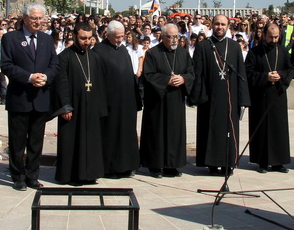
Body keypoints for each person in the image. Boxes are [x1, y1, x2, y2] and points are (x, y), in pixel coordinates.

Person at [0, 3, 59, 190]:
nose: (38, 22)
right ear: (25, 18)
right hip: (20, 97)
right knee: (18, 141)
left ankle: (32, 175)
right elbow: (7, 66)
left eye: (41, 18)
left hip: (40, 97)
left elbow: (54, 64)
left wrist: (46, 77)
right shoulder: (10, 38)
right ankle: (17, 176)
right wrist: (29, 77)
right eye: (34, 18)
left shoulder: (46, 39)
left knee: (36, 141)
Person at [192, 14, 250, 176]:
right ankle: (210, 163)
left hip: (230, 98)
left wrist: (243, 99)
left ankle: (227, 163)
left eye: (223, 24)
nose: (220, 27)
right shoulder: (203, 46)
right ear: (212, 25)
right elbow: (198, 73)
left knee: (228, 132)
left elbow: (241, 73)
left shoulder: (234, 46)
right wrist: (199, 96)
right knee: (209, 130)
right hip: (209, 97)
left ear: (228, 26)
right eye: (217, 24)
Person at [52, 22, 108, 185]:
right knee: (72, 140)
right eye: (83, 38)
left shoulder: (95, 57)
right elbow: (60, 84)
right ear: (74, 36)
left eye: (90, 39)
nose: (87, 42)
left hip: (91, 108)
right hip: (72, 107)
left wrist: (101, 108)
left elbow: (99, 83)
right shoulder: (64, 57)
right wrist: (65, 106)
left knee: (91, 141)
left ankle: (90, 174)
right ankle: (70, 175)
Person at [140, 23, 194, 177]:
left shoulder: (183, 54)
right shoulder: (152, 53)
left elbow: (191, 72)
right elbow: (148, 75)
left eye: (176, 36)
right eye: (170, 37)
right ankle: (155, 165)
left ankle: (172, 165)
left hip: (176, 100)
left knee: (174, 132)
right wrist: (167, 80)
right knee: (157, 132)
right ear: (162, 37)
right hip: (158, 100)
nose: (174, 40)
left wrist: (183, 78)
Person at [93, 21, 141, 178]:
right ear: (108, 35)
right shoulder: (99, 51)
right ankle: (111, 168)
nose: (120, 40)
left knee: (126, 134)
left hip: (126, 102)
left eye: (122, 36)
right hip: (110, 102)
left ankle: (128, 165)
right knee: (111, 135)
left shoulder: (123, 50)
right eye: (117, 37)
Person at [245, 23, 293, 173]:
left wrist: (280, 76)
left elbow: (290, 70)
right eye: (271, 37)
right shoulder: (254, 52)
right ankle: (262, 162)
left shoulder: (283, 51)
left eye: (276, 37)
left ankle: (279, 162)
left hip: (277, 95)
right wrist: (265, 77)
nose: (273, 40)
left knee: (279, 128)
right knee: (262, 129)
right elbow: (248, 73)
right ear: (264, 35)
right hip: (260, 95)